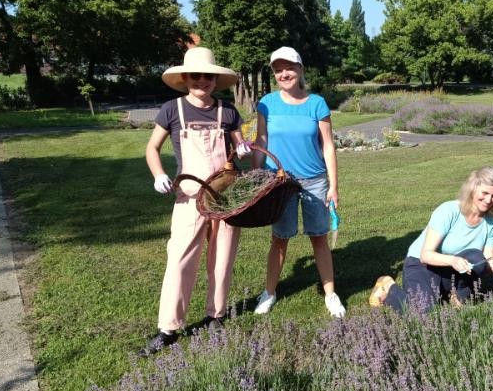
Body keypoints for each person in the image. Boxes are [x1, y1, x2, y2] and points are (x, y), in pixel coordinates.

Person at [141, 46, 251, 355]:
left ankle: (215, 315)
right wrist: (158, 173)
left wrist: (242, 149)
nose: (201, 81)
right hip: (189, 196)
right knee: (180, 258)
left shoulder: (227, 112)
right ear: (185, 78)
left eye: (207, 76)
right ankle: (169, 328)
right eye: (195, 76)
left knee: (222, 257)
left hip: (225, 196)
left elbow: (239, 146)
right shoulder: (171, 109)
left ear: (215, 80)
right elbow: (152, 148)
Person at [251, 46, 345, 318]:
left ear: (300, 69)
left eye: (289, 68)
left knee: (319, 237)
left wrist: (334, 186)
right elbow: (262, 141)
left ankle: (331, 294)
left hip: (314, 181)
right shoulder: (267, 103)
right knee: (280, 239)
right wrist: (255, 177)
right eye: (278, 69)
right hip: (279, 183)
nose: (284, 73)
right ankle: (269, 293)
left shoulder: (317, 103)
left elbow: (328, 146)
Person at [370, 166, 493, 313]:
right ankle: (388, 288)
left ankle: (457, 294)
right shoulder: (449, 211)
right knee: (424, 312)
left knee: (476, 256)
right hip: (422, 265)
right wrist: (453, 260)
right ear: (473, 189)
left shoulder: (491, 223)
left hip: (452, 270)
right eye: (485, 193)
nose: (489, 200)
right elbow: (426, 255)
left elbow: (485, 265)